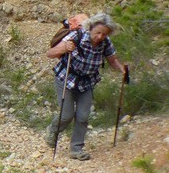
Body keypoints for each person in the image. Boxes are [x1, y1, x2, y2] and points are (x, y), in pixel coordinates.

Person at [45, 12, 128, 160]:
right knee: (66, 115)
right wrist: (64, 47)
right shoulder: (76, 36)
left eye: (104, 34)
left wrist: (122, 69)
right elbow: (50, 53)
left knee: (83, 116)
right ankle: (53, 130)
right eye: (98, 33)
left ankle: (76, 149)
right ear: (90, 28)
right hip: (66, 78)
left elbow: (112, 60)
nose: (100, 37)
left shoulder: (106, 43)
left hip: (87, 82)